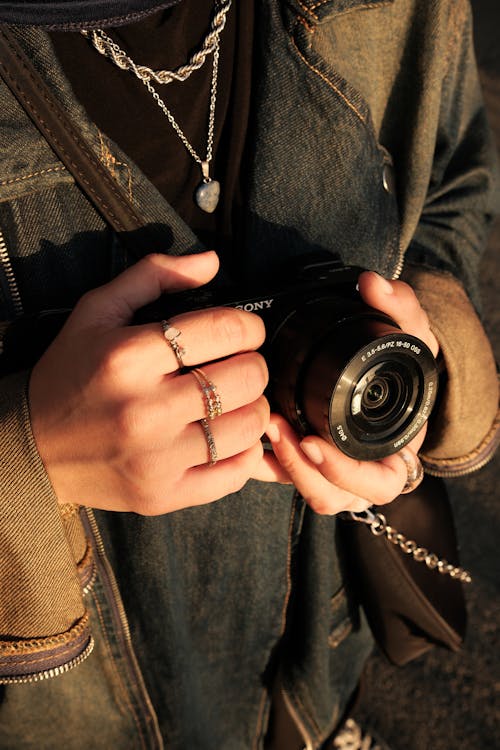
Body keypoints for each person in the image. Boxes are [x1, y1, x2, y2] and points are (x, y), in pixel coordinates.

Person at [0, 1, 498, 748]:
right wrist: (24, 459)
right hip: (74, 715)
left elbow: (452, 183)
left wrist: (419, 329)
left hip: (313, 670)